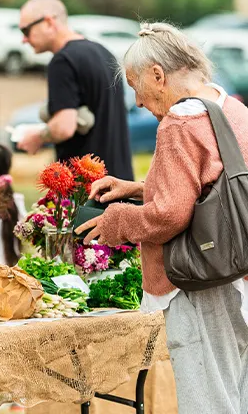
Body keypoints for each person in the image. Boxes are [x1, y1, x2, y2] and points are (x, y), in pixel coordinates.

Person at [77, 22, 248, 414]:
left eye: (136, 87)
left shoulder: (179, 123)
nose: (137, 102)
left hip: (201, 280)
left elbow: (170, 215)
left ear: (158, 74)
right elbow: (214, 187)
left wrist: (116, 221)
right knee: (237, 392)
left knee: (208, 400)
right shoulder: (230, 107)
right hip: (237, 271)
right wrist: (138, 188)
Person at [18, 0, 133, 180]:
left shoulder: (62, 60)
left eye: (26, 31)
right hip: (118, 181)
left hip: (87, 188)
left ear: (48, 22)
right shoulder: (103, 52)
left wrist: (37, 137)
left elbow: (64, 127)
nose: (24, 40)